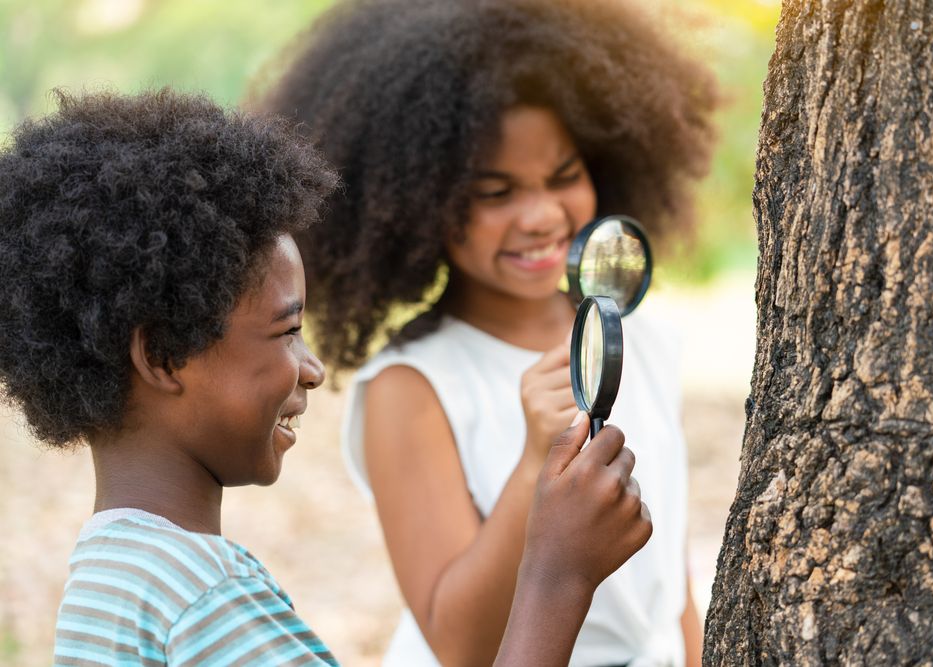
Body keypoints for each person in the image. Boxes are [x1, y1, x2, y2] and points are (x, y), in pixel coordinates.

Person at [0, 88, 651, 666]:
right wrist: (555, 579)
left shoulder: (108, 573)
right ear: (164, 356)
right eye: (286, 331)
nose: (312, 368)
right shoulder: (206, 600)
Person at [256, 0, 718, 665]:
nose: (539, 215)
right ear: (415, 202)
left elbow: (669, 587)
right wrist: (537, 460)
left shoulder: (639, 337)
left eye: (563, 177)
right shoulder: (412, 386)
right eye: (495, 193)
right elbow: (460, 642)